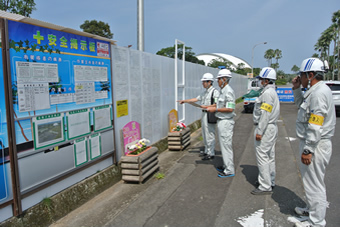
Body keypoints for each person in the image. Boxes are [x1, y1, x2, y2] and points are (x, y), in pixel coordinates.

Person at [292, 58, 336, 227]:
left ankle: (316, 221)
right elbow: (301, 106)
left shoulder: (318, 94)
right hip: (314, 143)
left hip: (316, 144)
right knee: (311, 182)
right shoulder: (314, 91)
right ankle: (312, 210)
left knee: (315, 184)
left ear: (310, 75)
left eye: (301, 75)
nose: (299, 78)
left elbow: (315, 124)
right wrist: (297, 89)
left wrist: (308, 150)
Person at [251, 67, 280, 195]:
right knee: (269, 156)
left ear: (267, 80)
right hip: (271, 127)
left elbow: (265, 114)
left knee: (262, 156)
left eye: (262, 79)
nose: (260, 81)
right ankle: (270, 181)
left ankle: (265, 185)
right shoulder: (270, 92)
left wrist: (260, 131)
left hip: (266, 127)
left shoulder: (267, 94)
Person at [178, 73, 219, 160]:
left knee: (210, 134)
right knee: (204, 133)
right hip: (204, 114)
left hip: (210, 114)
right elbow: (196, 99)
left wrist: (207, 107)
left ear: (209, 82)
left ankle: (211, 153)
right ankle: (207, 150)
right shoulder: (204, 92)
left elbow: (217, 105)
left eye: (204, 82)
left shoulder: (215, 92)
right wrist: (185, 101)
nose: (202, 83)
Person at [206, 69, 236, 178]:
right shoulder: (223, 90)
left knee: (226, 146)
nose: (217, 81)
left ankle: (229, 170)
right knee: (223, 146)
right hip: (222, 121)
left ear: (224, 79)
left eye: (218, 79)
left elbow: (230, 109)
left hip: (226, 122)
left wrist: (216, 110)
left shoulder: (228, 91)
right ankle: (226, 165)